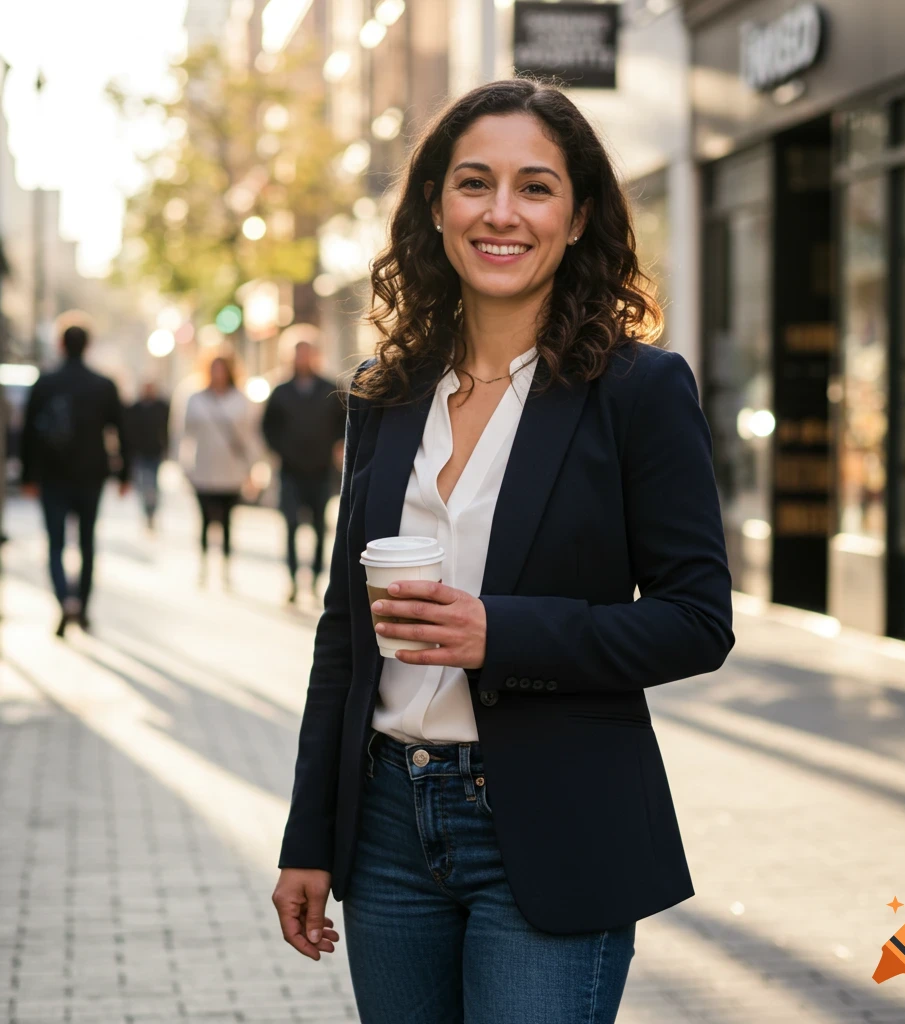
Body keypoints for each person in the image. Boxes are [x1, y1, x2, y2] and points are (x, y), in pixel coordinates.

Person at [272, 80, 734, 1023]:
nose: (502, 213)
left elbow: (698, 621)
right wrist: (310, 836)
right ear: (436, 205)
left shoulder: (638, 391)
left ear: (578, 216)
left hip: (553, 821)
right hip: (388, 827)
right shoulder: (383, 392)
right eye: (475, 182)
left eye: (536, 187)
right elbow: (341, 633)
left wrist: (501, 632)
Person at [20, 314, 131, 636]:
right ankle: (80, 604)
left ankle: (64, 600)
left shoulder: (45, 383)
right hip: (90, 476)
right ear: (89, 345)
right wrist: (124, 474)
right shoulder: (103, 385)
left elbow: (28, 433)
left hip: (53, 477)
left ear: (60, 344)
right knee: (86, 543)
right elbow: (120, 432)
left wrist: (28, 476)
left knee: (55, 544)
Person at [262, 329, 346, 603]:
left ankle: (316, 582)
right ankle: (292, 581)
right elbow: (267, 427)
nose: (303, 358)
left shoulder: (329, 388)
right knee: (290, 525)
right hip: (290, 470)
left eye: (308, 352)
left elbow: (345, 423)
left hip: (321, 470)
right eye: (299, 353)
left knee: (322, 528)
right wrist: (280, 451)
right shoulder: (281, 391)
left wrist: (337, 447)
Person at [180, 355, 259, 586]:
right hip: (203, 470)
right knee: (204, 520)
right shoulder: (195, 399)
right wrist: (184, 466)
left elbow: (250, 437)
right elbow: (184, 434)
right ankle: (204, 566)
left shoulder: (241, 399)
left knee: (227, 522)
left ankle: (225, 568)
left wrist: (253, 468)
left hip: (231, 471)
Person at [125, 381, 170, 529]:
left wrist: (165, 447)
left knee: (152, 483)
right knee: (142, 483)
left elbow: (166, 428)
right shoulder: (135, 408)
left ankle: (151, 511)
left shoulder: (161, 407)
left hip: (155, 451)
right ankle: (146, 509)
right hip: (139, 452)